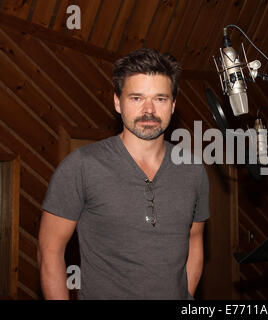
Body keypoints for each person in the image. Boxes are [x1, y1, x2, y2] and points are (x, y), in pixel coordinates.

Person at [37, 48, 210, 300]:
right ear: (118, 102)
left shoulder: (193, 170)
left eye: (160, 99)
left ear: (173, 105)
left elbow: (195, 243)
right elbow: (49, 252)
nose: (149, 110)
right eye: (137, 98)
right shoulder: (82, 166)